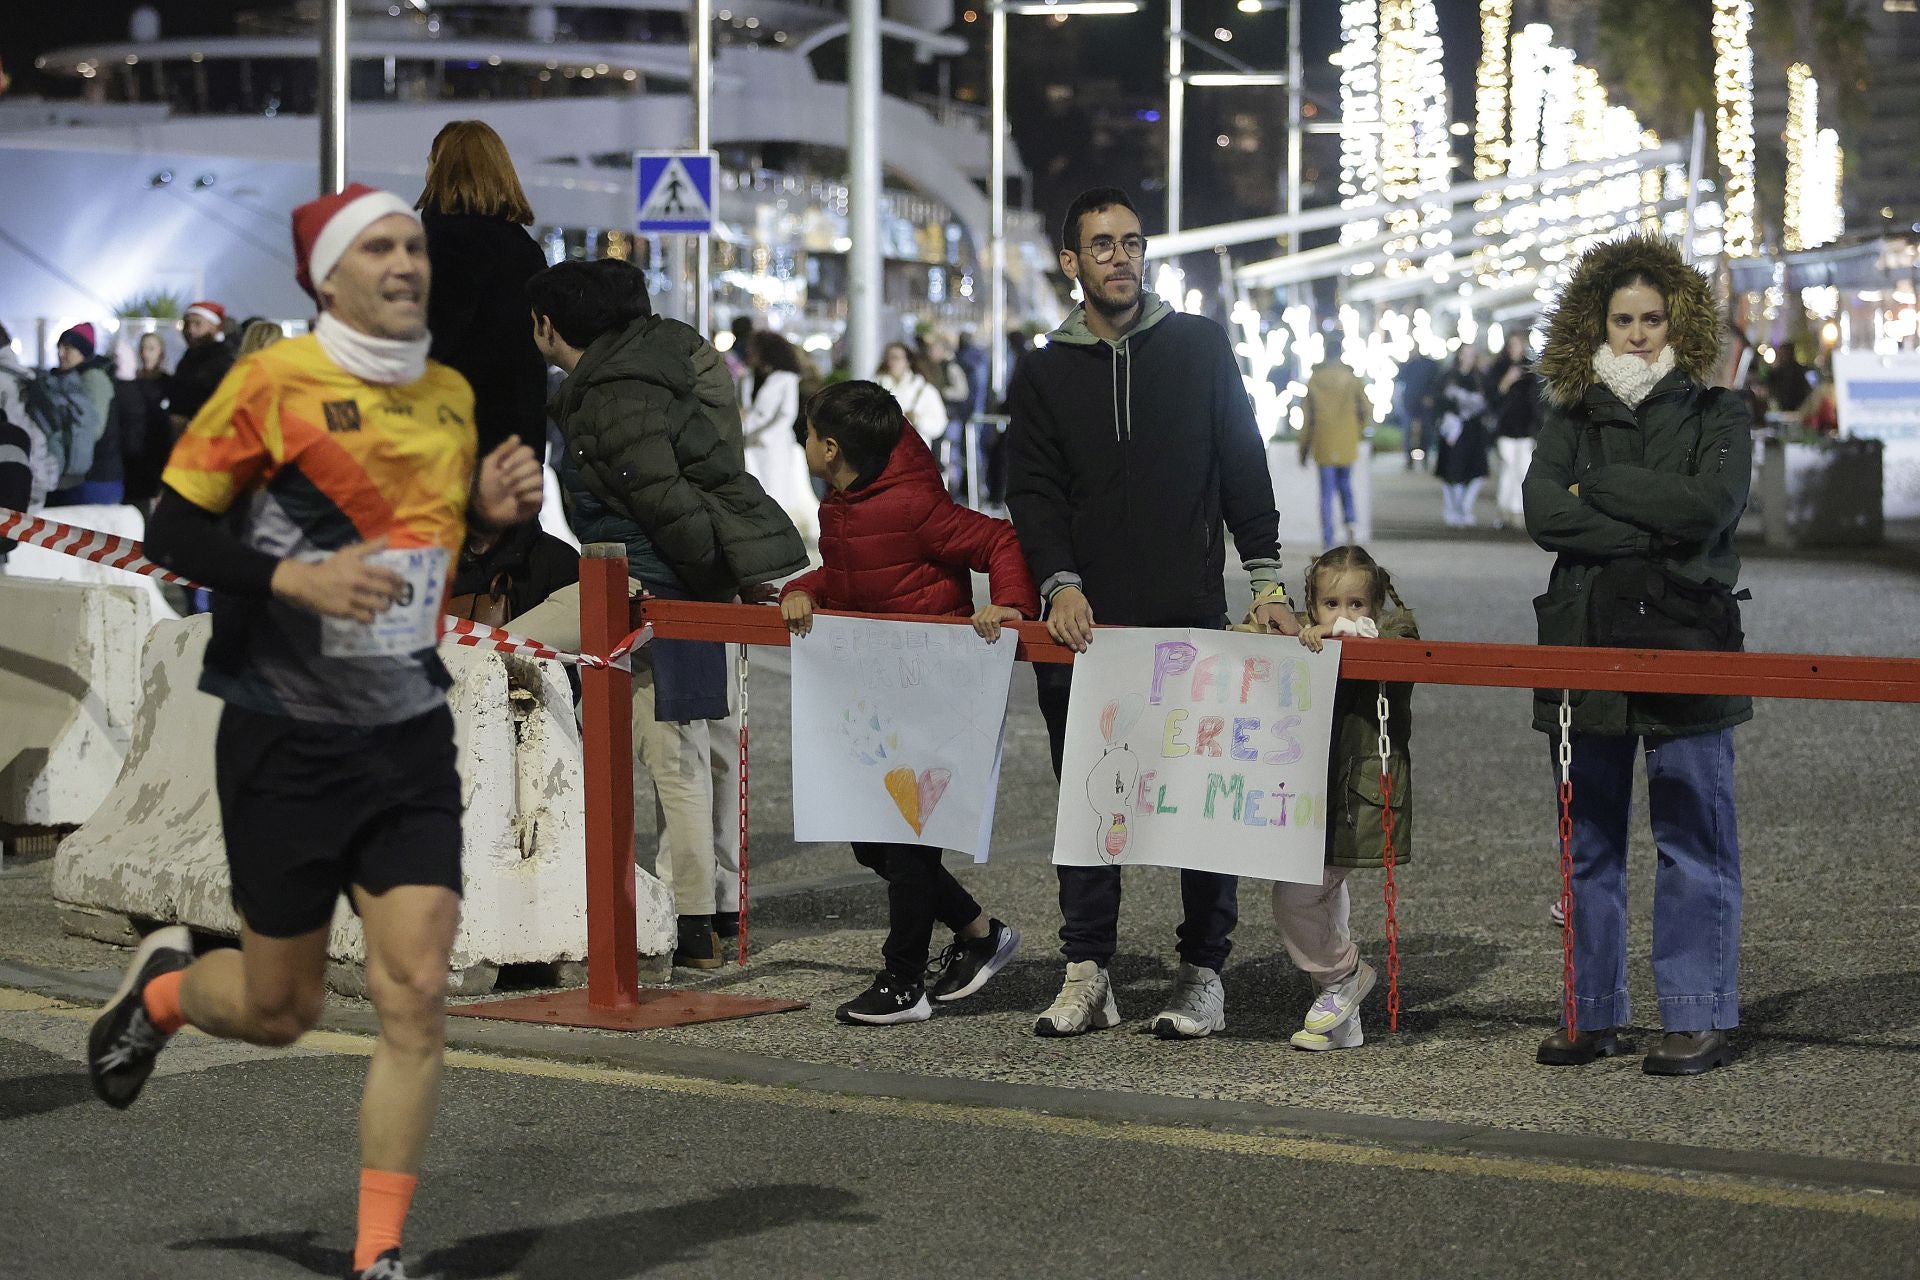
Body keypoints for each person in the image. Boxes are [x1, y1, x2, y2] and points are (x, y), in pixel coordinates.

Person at [87, 182, 545, 1280]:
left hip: (405, 731)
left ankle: (377, 1253)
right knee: (280, 1005)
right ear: (327, 276)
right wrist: (293, 574)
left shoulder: (446, 394)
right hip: (284, 734)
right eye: (378, 246)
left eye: (412, 245)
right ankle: (163, 987)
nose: (404, 261)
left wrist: (484, 509)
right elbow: (171, 527)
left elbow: (419, 540)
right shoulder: (272, 382)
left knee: (416, 994)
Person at [1006, 185, 1298, 1041]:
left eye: (1133, 243)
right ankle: (1087, 971)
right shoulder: (1042, 371)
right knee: (1090, 804)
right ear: (1071, 263)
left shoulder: (1201, 348)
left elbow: (1242, 465)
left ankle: (1203, 973)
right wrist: (1058, 582)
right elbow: (1033, 491)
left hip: (1192, 621)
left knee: (1203, 807)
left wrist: (1269, 583)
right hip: (1086, 632)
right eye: (1102, 246)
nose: (1122, 258)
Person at [515, 257, 808, 968]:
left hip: (648, 585)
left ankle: (688, 923)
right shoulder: (666, 360)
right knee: (694, 751)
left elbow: (663, 500)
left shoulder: (612, 396)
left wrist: (689, 581)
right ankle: (703, 923)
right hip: (683, 584)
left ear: (549, 326)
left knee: (497, 653)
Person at [1524, 231, 1752, 1077]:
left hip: (1687, 637)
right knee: (1588, 841)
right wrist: (1652, 514)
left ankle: (1696, 1013)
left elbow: (1711, 507)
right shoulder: (1569, 414)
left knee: (1694, 832)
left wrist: (1604, 490)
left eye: (1653, 318)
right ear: (1597, 324)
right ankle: (1590, 1014)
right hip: (1583, 639)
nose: (1638, 333)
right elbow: (1544, 513)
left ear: (1677, 322)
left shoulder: (1718, 410)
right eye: (1623, 318)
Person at [780, 379, 1039, 1023]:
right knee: (874, 843)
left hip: (931, 697)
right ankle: (980, 935)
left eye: (810, 432)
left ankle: (903, 983)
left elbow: (999, 541)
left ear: (832, 447)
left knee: (909, 846)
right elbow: (857, 570)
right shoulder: (846, 502)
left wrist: (1007, 603)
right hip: (875, 699)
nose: (805, 440)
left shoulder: (912, 503)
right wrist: (803, 588)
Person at [1261, 545, 1416, 1051]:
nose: (1344, 614)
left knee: (1296, 896)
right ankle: (1341, 1022)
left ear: (1376, 605)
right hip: (1308, 790)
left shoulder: (1395, 633)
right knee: (1327, 897)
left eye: (1357, 604)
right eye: (1331, 604)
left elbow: (1389, 641)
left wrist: (1337, 633)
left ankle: (1342, 974)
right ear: (1311, 604)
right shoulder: (1304, 636)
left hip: (1357, 792)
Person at [418, 120, 552, 463]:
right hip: (519, 441)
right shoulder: (526, 251)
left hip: (451, 441)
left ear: (443, 171)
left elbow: (433, 343)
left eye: (432, 161)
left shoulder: (441, 246)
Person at [740, 329, 819, 527]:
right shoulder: (747, 377)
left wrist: (765, 436)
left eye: (754, 349)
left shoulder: (786, 378)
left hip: (774, 445)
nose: (750, 353)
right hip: (747, 441)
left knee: (774, 490)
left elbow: (787, 413)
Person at [1298, 335, 1370, 547]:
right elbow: (1366, 408)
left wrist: (1303, 449)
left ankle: (1328, 538)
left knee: (1326, 493)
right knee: (1346, 486)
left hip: (1324, 442)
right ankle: (1351, 525)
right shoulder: (1352, 378)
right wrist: (1356, 430)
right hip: (1347, 441)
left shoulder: (1314, 380)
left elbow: (1308, 419)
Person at [44, 323, 122, 507]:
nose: (61, 353)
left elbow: (93, 429)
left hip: (97, 479)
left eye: (68, 348)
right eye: (60, 347)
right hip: (77, 477)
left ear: (83, 352)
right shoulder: (68, 378)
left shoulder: (93, 379)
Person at [1434, 344, 1492, 527]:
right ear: (1458, 355)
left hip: (1474, 430)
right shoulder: (1447, 377)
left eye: (1472, 354)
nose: (1468, 357)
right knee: (1452, 471)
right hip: (1453, 431)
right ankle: (1453, 510)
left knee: (1476, 471)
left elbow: (1489, 401)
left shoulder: (1480, 378)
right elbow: (1438, 401)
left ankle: (1465, 508)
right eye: (1465, 353)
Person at [1490, 329, 1542, 529]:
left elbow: (1536, 400)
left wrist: (1537, 426)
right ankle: (1505, 510)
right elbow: (1493, 397)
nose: (1515, 349)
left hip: (1526, 428)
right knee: (1509, 467)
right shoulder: (1499, 368)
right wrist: (1507, 380)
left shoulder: (1530, 370)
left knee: (1523, 469)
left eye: (1518, 345)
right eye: (1512, 345)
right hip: (1506, 428)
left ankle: (1518, 511)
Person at [118, 331, 173, 508]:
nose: (145, 353)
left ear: (161, 352)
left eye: (151, 348)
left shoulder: (167, 383)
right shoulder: (132, 380)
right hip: (133, 452)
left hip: (155, 451)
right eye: (142, 348)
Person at [166, 300, 235, 437]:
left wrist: (192, 422)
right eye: (187, 324)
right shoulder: (189, 357)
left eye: (197, 323)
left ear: (214, 326)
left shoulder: (222, 359)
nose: (190, 330)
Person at [877, 340, 947, 451]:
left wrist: (919, 420)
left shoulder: (924, 390)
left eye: (896, 358)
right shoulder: (876, 387)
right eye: (888, 358)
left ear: (908, 361)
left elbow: (940, 424)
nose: (891, 362)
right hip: (882, 456)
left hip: (915, 455)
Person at [1394, 346, 1442, 470]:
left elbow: (1437, 383)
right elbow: (1400, 382)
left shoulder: (1430, 366)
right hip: (1410, 403)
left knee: (1425, 431)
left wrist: (1431, 396)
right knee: (1409, 433)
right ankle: (1410, 460)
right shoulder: (1407, 365)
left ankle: (1423, 457)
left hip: (1424, 404)